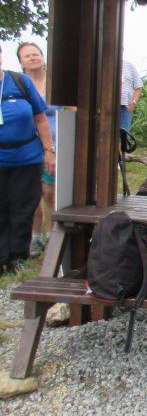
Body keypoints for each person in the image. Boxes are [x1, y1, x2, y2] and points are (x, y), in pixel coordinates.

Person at [0, 44, 56, 275]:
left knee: (23, 208)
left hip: (26, 157)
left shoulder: (19, 82)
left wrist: (48, 151)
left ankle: (17, 255)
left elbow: (41, 118)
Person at [16, 42, 56, 256]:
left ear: (43, 57)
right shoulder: (19, 84)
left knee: (49, 193)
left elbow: (72, 110)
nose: (33, 58)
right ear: (21, 62)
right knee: (32, 193)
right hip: (28, 146)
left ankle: (52, 234)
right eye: (27, 56)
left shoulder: (55, 82)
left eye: (36, 54)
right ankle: (35, 237)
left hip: (54, 146)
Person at [120, 60, 143, 133]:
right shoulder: (106, 65)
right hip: (107, 107)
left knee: (124, 134)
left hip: (126, 107)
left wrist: (134, 102)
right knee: (106, 134)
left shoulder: (129, 66)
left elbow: (138, 87)